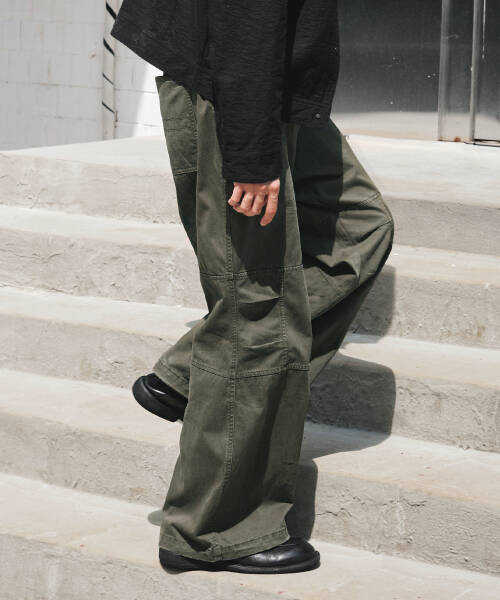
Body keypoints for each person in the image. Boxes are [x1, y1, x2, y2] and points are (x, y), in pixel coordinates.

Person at [110, 0, 394, 575]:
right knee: (256, 310)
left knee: (358, 229)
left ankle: (186, 376)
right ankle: (212, 529)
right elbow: (247, 14)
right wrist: (251, 153)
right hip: (236, 86)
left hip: (267, 84)